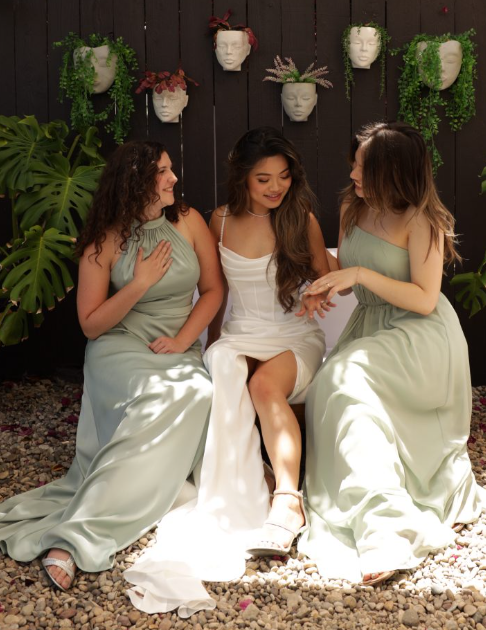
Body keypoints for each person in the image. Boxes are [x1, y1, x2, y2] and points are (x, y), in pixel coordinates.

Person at [0, 140, 223, 591]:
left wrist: (185, 341)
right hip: (118, 346)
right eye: (162, 173)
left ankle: (113, 503)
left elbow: (213, 291)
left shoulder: (188, 221)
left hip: (173, 344)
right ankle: (76, 537)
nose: (173, 179)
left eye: (170, 169)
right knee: (155, 398)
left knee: (196, 390)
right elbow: (90, 324)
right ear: (135, 185)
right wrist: (140, 283)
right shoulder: (104, 239)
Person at [124, 126, 329, 615]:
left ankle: (286, 499)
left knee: (262, 384)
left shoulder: (301, 218)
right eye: (263, 180)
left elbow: (326, 276)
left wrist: (320, 291)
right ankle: (238, 482)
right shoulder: (216, 222)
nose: (275, 188)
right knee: (222, 363)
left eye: (282, 177)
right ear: (242, 179)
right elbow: (217, 294)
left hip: (293, 337)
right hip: (240, 333)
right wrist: (208, 345)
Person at [299, 121, 486, 586]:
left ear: (392, 171)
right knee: (336, 390)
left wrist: (359, 275)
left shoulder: (421, 220)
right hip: (370, 327)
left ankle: (385, 529)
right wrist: (323, 286)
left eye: (363, 167)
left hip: (420, 335)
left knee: (343, 381)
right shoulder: (351, 206)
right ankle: (375, 505)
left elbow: (424, 298)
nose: (354, 173)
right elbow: (349, 272)